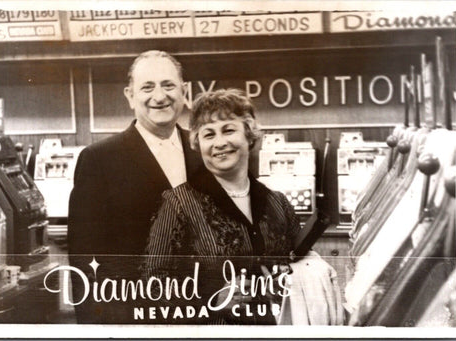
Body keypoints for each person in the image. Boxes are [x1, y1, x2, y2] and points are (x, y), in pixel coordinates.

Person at [143, 89, 301, 324]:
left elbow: (298, 267)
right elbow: (153, 284)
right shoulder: (179, 204)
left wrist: (285, 283)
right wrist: (212, 302)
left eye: (228, 130)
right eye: (208, 135)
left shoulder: (278, 203)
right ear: (198, 143)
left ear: (249, 135)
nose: (219, 143)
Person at [67, 50, 203, 323]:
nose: (160, 96)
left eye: (168, 85)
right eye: (147, 87)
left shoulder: (202, 149)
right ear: (130, 96)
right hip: (133, 317)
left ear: (184, 91)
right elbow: (85, 258)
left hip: (203, 314)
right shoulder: (98, 159)